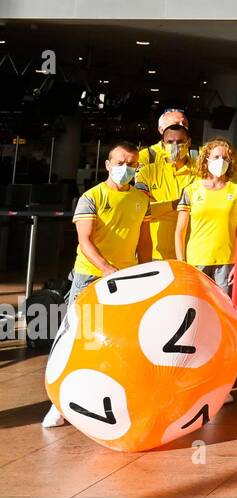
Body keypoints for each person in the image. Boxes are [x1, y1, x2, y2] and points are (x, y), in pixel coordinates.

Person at [42, 141, 153, 427]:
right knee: (78, 337)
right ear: (107, 164)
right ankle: (58, 402)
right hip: (91, 276)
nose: (126, 168)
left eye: (132, 164)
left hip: (126, 279)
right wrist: (106, 269)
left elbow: (144, 239)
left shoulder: (141, 198)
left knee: (120, 340)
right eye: (120, 162)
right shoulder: (91, 197)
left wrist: (146, 270)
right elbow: (85, 240)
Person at [175, 138, 237, 297]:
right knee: (196, 307)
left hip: (227, 262)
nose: (221, 161)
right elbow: (180, 232)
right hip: (196, 261)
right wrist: (182, 264)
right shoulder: (191, 190)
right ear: (206, 159)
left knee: (223, 311)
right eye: (216, 157)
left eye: (225, 158)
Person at [134, 123, 198, 259]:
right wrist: (175, 205)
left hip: (191, 253)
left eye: (180, 142)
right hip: (154, 254)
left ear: (189, 142)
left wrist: (161, 209)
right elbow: (140, 211)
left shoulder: (202, 172)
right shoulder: (148, 172)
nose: (175, 146)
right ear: (163, 145)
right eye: (170, 142)